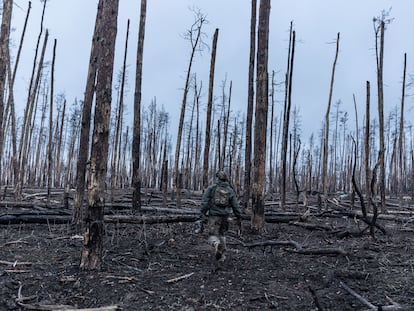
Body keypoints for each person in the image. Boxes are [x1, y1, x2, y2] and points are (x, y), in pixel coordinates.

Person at [199, 170, 242, 262]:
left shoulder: (211, 188)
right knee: (222, 234)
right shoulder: (230, 190)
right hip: (225, 216)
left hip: (214, 216)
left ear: (217, 178)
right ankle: (222, 256)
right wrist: (238, 215)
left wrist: (202, 213)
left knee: (212, 235)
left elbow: (204, 202)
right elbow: (235, 205)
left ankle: (216, 244)